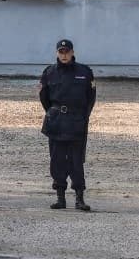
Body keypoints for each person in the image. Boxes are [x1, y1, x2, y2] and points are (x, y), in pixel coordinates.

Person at [39, 39, 96, 211]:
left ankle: (79, 198)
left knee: (76, 161)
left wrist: (82, 117)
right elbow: (44, 97)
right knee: (57, 160)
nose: (64, 55)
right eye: (61, 52)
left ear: (72, 52)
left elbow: (91, 98)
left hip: (76, 122)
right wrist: (53, 112)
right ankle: (60, 198)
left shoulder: (84, 72)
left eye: (66, 52)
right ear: (57, 53)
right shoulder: (49, 72)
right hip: (56, 121)